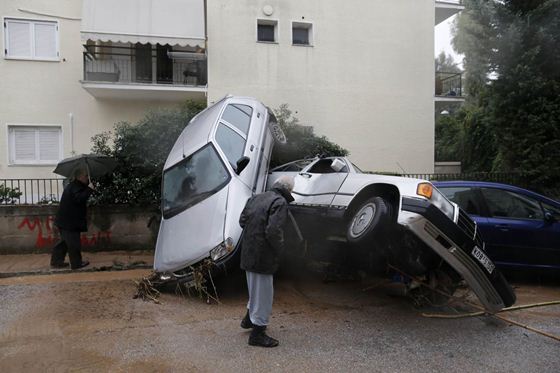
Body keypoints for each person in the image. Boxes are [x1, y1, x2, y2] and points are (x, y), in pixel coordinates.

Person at [238, 175, 295, 348]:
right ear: (288, 189)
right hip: (263, 257)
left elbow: (242, 222)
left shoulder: (255, 198)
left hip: (248, 253)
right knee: (264, 296)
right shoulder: (279, 202)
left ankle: (248, 319)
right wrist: (281, 249)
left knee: (254, 290)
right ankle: (257, 334)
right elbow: (273, 231)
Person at [50, 168, 94, 270]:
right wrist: (89, 189)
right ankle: (76, 264)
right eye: (85, 176)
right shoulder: (75, 186)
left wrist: (88, 188)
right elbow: (79, 199)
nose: (87, 178)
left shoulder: (75, 185)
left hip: (66, 221)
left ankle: (56, 262)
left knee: (65, 242)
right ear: (79, 176)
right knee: (74, 243)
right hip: (69, 222)